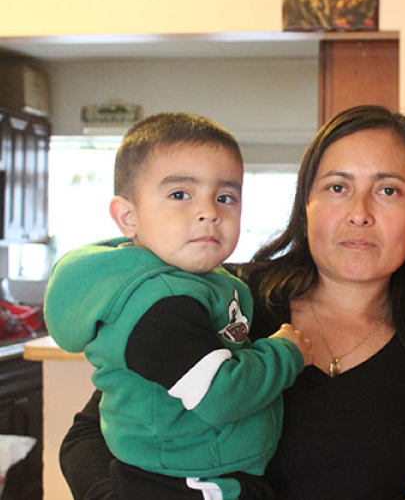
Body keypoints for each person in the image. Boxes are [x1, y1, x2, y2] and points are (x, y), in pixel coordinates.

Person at [58, 105, 405, 500]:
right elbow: (87, 437)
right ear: (306, 207)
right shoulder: (226, 296)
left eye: (388, 190)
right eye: (337, 187)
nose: (359, 213)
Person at [44, 113, 313, 500]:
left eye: (225, 197)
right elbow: (223, 395)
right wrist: (286, 352)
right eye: (179, 195)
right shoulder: (159, 306)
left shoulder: (201, 284)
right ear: (128, 217)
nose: (209, 212)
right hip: (186, 483)